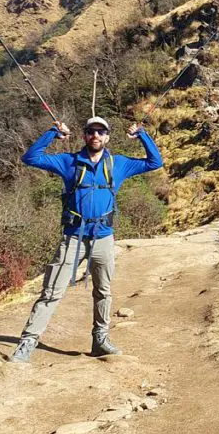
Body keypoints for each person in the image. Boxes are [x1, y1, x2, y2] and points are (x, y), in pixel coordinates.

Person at [9, 116, 163, 363]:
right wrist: (53, 134)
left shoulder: (118, 164)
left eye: (101, 132)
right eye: (91, 131)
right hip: (73, 238)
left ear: (107, 137)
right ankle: (28, 342)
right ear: (84, 136)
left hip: (103, 238)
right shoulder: (68, 161)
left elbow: (155, 162)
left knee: (103, 291)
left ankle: (100, 340)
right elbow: (31, 158)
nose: (96, 136)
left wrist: (142, 135)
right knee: (52, 291)